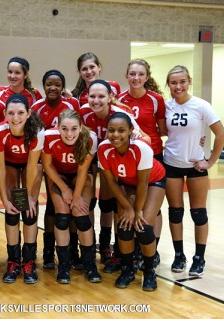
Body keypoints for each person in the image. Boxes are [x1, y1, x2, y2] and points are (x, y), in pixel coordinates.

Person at [164, 65, 224, 276]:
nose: (178, 86)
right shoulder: (166, 106)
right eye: (174, 82)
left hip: (195, 165)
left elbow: (221, 134)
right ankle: (179, 255)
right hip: (171, 164)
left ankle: (199, 258)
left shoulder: (201, 105)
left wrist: (210, 161)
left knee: (198, 214)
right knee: (175, 213)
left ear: (189, 81)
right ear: (169, 85)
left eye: (182, 81)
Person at [79, 79, 146, 273]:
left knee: (116, 205)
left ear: (110, 97)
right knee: (98, 203)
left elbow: (144, 138)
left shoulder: (122, 114)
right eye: (92, 96)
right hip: (95, 160)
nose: (96, 100)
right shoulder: (83, 112)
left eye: (101, 96)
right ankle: (102, 246)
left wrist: (136, 139)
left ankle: (120, 251)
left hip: (118, 162)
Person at [99, 112, 166, 291]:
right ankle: (128, 268)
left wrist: (137, 211)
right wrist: (128, 208)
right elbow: (112, 183)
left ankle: (149, 270)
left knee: (143, 227)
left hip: (153, 181)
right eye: (111, 130)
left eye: (121, 130)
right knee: (124, 227)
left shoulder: (141, 148)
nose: (116, 135)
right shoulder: (103, 149)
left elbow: (143, 183)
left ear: (130, 131)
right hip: (127, 183)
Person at [72, 53, 121, 266]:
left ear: (99, 67)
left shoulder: (114, 94)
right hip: (92, 156)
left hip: (113, 156)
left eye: (92, 67)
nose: (89, 72)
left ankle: (107, 243)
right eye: (85, 69)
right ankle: (89, 246)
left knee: (109, 201)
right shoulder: (80, 102)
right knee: (89, 200)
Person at [117, 59, 167, 269]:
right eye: (132, 74)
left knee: (152, 210)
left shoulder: (156, 99)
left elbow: (163, 130)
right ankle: (133, 250)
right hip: (128, 159)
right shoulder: (119, 100)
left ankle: (151, 249)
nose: (136, 78)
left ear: (147, 77)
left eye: (140, 74)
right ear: (126, 76)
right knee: (131, 204)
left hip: (152, 157)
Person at [42, 109, 101, 284]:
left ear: (81, 127)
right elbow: (47, 166)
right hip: (58, 176)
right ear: (57, 127)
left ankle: (90, 265)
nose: (69, 134)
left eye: (74, 128)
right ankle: (64, 265)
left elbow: (83, 170)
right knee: (61, 217)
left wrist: (76, 196)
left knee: (81, 215)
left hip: (80, 175)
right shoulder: (48, 137)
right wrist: (64, 189)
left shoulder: (89, 138)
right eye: (64, 129)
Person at [0, 94, 44, 284]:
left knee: (30, 210)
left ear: (29, 113)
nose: (16, 118)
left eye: (21, 113)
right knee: (13, 209)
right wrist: (4, 200)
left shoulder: (37, 132)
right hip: (10, 165)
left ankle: (29, 260)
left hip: (31, 166)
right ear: (4, 113)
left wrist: (31, 196)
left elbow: (32, 166)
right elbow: (0, 167)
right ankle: (13, 261)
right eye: (11, 113)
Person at [31, 70, 81, 269]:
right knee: (51, 207)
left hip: (69, 161)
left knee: (73, 208)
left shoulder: (71, 105)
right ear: (43, 86)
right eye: (49, 84)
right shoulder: (36, 107)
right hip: (45, 161)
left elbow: (78, 131)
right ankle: (48, 251)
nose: (53, 87)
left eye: (57, 84)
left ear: (63, 86)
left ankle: (72, 250)